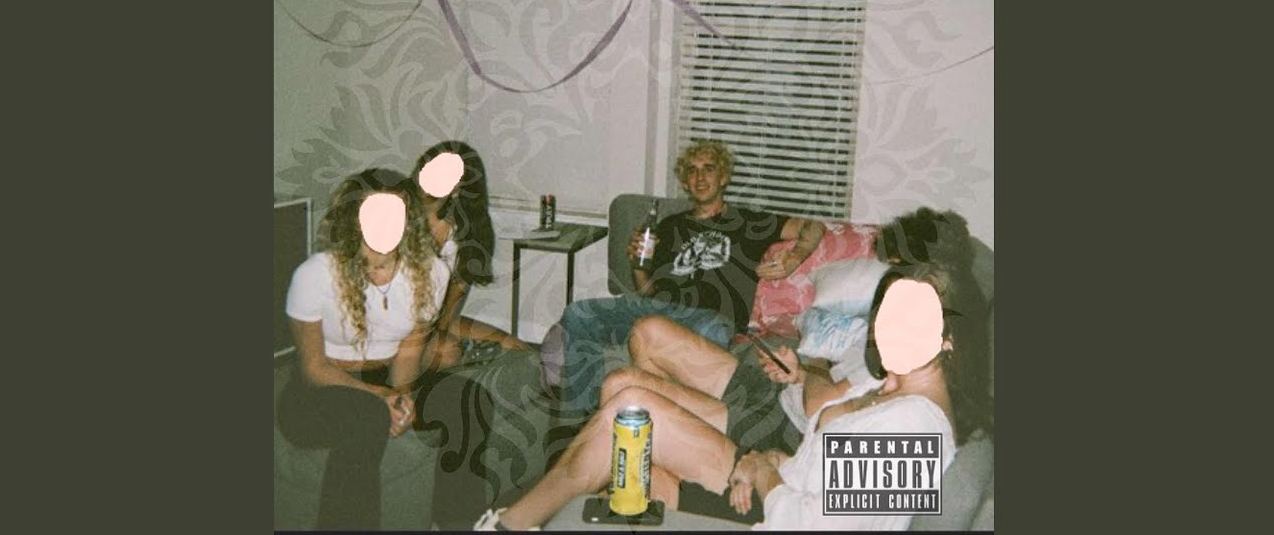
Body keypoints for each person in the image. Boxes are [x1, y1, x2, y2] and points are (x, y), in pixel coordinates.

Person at [473, 261, 992, 531]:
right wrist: (772, 461)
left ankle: (510, 525)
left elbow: (814, 527)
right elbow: (821, 470)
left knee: (627, 416)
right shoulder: (888, 388)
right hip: (765, 485)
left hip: (764, 513)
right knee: (631, 420)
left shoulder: (916, 427)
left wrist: (763, 471)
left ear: (949, 339)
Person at [554, 139, 826, 413]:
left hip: (711, 316)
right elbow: (647, 290)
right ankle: (583, 415)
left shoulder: (749, 221)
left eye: (709, 169)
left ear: (723, 178)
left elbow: (813, 225)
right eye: (692, 171)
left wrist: (795, 256)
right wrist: (637, 264)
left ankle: (692, 417)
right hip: (658, 308)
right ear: (685, 182)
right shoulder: (669, 226)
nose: (700, 177)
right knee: (578, 313)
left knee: (711, 332)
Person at [277, 168, 450, 530]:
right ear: (351, 218)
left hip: (386, 374)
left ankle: (464, 522)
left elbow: (409, 352)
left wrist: (402, 397)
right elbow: (313, 366)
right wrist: (380, 396)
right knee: (368, 417)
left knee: (466, 399)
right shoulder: (315, 274)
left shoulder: (433, 272)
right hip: (323, 386)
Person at [409, 139, 531, 375]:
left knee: (518, 348)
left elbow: (446, 318)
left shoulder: (463, 236)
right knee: (447, 351)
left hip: (427, 325)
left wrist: (442, 333)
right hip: (388, 327)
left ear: (458, 189)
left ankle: (468, 353)